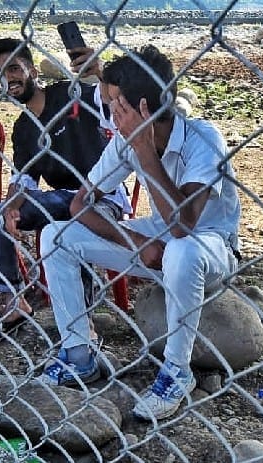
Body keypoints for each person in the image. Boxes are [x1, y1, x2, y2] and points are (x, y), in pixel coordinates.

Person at [39, 45, 241, 421]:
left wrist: (147, 154)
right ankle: (78, 355)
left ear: (142, 108)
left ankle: (177, 372)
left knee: (182, 249)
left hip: (211, 247)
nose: (110, 110)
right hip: (157, 238)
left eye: (117, 102)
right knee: (55, 236)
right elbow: (80, 203)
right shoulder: (123, 140)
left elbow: (184, 224)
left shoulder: (203, 138)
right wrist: (135, 242)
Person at [0, 38, 130, 334]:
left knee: (72, 226)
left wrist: (101, 71)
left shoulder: (69, 95)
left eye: (13, 68)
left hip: (101, 194)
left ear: (33, 70)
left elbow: (109, 99)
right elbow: (24, 179)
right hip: (61, 198)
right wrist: (11, 208)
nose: (8, 78)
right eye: (0, 74)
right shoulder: (24, 128)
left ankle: (83, 318)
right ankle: (14, 298)